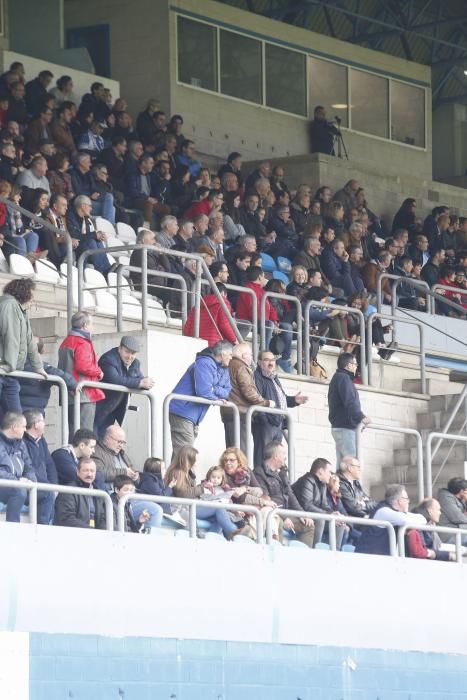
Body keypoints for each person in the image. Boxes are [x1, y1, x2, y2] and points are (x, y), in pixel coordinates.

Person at [169, 341, 233, 455]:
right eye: (230, 354)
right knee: (185, 456)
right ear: (223, 353)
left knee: (180, 457)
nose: (231, 358)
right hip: (183, 412)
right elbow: (204, 391)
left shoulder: (224, 369)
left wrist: (214, 389)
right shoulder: (204, 363)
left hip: (193, 416)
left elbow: (227, 391)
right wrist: (214, 391)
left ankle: (173, 473)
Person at [164, 445, 241, 539]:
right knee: (218, 508)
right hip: (182, 508)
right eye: (194, 460)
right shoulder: (177, 472)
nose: (196, 463)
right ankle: (234, 532)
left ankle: (210, 538)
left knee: (219, 516)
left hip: (190, 505)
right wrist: (202, 488)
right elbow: (182, 494)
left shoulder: (185, 472)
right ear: (188, 460)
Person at [252, 352, 308, 467]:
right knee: (262, 456)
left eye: (272, 360)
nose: (271, 363)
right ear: (259, 362)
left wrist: (294, 400)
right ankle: (260, 482)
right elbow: (257, 400)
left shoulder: (273, 377)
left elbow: (280, 400)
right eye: (267, 360)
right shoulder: (257, 377)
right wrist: (264, 420)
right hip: (265, 424)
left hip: (277, 423)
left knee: (275, 459)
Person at [254, 441, 315, 547]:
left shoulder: (281, 473)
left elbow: (291, 496)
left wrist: (302, 514)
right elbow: (266, 499)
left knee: (309, 525)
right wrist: (284, 517)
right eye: (283, 454)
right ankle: (277, 556)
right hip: (274, 514)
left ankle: (303, 558)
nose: (285, 457)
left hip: (285, 513)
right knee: (279, 523)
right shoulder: (259, 472)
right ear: (276, 456)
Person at [0, 279, 46, 413]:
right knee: (13, 418)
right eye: (32, 295)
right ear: (23, 293)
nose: (33, 300)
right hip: (5, 370)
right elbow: (10, 337)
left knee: (15, 419)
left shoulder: (20, 310)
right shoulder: (9, 305)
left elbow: (30, 341)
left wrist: (38, 367)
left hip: (9, 373)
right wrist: (9, 364)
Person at [94, 335, 155, 437]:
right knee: (93, 440)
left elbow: (139, 379)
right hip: (99, 409)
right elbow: (116, 380)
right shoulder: (108, 359)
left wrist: (145, 382)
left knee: (105, 441)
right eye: (127, 352)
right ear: (119, 349)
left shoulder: (134, 363)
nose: (130, 356)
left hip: (113, 409)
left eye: (133, 353)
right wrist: (139, 383)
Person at [58, 311, 104, 434]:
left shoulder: (66, 341)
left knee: (72, 434)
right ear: (84, 326)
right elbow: (83, 366)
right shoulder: (82, 342)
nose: (93, 327)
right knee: (84, 435)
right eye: (91, 324)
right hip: (84, 394)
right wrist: (98, 372)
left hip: (68, 394)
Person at [221, 343, 273, 452]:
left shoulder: (229, 364)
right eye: (250, 355)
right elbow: (249, 392)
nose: (251, 358)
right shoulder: (240, 367)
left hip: (229, 412)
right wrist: (266, 403)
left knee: (231, 451)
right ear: (244, 355)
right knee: (240, 453)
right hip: (239, 413)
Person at [355, 484, 425, 556]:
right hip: (368, 558)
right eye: (407, 499)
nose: (408, 502)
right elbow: (405, 520)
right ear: (400, 501)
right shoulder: (384, 511)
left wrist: (407, 514)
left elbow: (423, 519)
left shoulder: (394, 512)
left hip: (377, 558)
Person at [328, 352, 370, 465]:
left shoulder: (340, 378)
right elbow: (350, 402)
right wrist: (361, 417)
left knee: (343, 464)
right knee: (352, 463)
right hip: (345, 428)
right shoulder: (343, 378)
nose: (356, 366)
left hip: (342, 427)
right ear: (348, 365)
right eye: (355, 364)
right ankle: (351, 483)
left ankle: (341, 483)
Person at [19, 335, 77, 415]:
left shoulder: (13, 366)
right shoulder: (43, 368)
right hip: (34, 415)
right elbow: (67, 380)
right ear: (43, 350)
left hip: (10, 414)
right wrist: (75, 385)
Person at [0, 412, 37, 522]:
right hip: (4, 484)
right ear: (14, 427)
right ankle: (13, 528)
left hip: (20, 483)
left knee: (47, 494)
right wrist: (17, 481)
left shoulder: (21, 444)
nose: (25, 430)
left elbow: (28, 466)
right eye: (23, 426)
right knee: (18, 491)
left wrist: (31, 480)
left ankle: (39, 531)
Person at [22, 409, 57, 524]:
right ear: (36, 425)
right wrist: (47, 487)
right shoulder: (22, 441)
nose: (45, 424)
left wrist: (54, 485)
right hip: (29, 486)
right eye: (42, 421)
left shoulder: (41, 441)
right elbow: (28, 468)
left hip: (43, 485)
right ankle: (43, 528)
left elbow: (50, 464)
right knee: (47, 494)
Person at [53, 458, 108, 529]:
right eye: (85, 470)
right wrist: (90, 531)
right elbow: (66, 518)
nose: (89, 474)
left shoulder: (100, 493)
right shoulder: (68, 490)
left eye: (92, 471)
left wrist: (99, 533)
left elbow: (104, 519)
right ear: (78, 472)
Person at [292, 458, 334, 545]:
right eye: (329, 472)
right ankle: (315, 550)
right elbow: (307, 505)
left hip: (311, 516)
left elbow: (324, 505)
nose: (331, 475)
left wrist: (332, 514)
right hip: (298, 515)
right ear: (321, 471)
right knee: (320, 519)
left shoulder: (323, 484)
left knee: (339, 523)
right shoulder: (307, 480)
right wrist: (327, 515)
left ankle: (335, 552)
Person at [66, 194, 111, 275]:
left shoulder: (86, 219)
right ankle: (104, 271)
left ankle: (108, 268)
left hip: (85, 248)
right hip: (74, 246)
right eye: (90, 206)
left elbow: (89, 236)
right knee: (91, 241)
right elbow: (74, 235)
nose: (91, 208)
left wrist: (99, 236)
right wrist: (95, 235)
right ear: (83, 206)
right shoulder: (70, 216)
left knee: (98, 241)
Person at [183, 282, 237, 347]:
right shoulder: (223, 303)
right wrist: (234, 340)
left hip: (195, 343)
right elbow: (224, 325)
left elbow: (187, 328)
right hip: (213, 345)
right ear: (223, 293)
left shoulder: (197, 305)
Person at [437, 477, 467, 545]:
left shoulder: (461, 498)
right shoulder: (446, 499)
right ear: (462, 491)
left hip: (459, 531)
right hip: (449, 535)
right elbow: (459, 518)